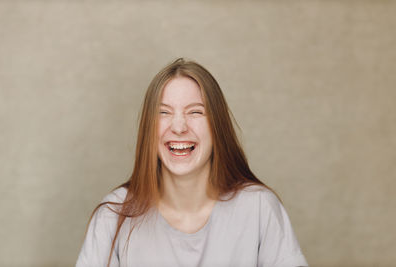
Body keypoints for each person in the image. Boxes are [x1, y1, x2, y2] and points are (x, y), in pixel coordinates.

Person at [76, 58, 308, 267]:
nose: (178, 127)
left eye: (195, 112)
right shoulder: (114, 215)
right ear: (148, 128)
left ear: (218, 127)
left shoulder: (259, 208)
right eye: (164, 113)